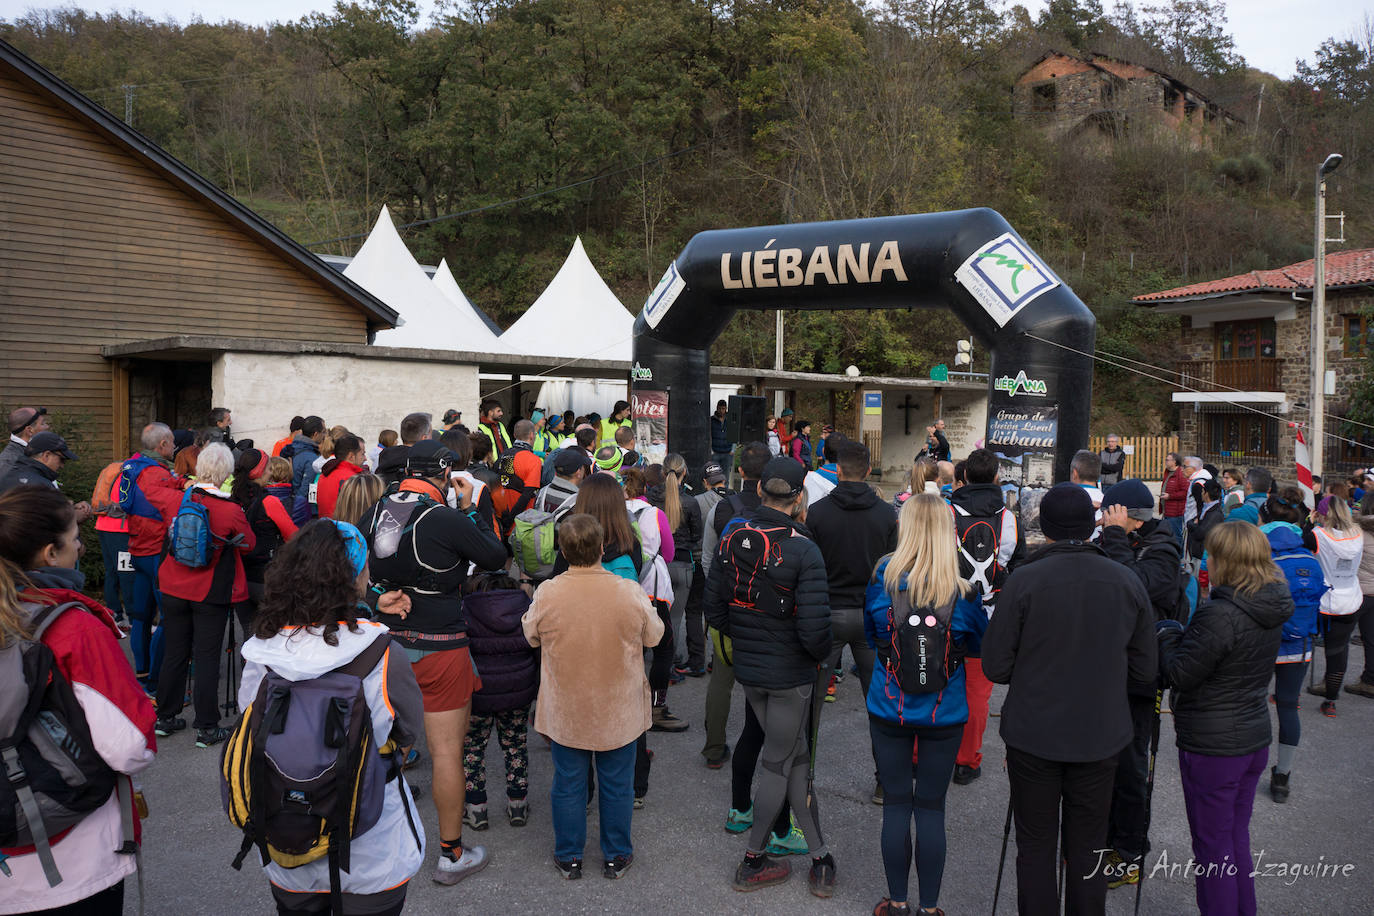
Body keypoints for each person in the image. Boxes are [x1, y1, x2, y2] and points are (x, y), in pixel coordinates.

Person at [982, 483, 1155, 916]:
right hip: (1098, 733)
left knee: (1036, 843)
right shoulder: (1125, 580)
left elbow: (996, 666)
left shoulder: (1024, 580)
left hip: (1035, 732)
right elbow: (1143, 671)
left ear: (1047, 527)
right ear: (1093, 526)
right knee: (1088, 844)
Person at [238, 518, 426, 915]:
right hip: (373, 850)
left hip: (287, 843)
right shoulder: (380, 651)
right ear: (356, 576)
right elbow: (408, 732)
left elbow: (248, 720)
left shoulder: (262, 651)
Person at [0, 486, 157, 914]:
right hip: (73, 855)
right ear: (51, 553)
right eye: (74, 539)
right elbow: (129, 747)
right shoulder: (74, 627)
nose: (80, 546)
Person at [359, 439, 507, 886]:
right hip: (441, 644)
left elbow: (346, 568)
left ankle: (371, 845)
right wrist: (473, 505)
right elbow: (496, 558)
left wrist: (373, 597)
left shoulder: (376, 513)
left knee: (378, 747)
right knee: (446, 752)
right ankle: (450, 853)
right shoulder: (442, 516)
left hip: (385, 646)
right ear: (444, 475)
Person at [704, 456, 834, 898]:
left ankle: (819, 856)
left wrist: (746, 634)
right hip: (790, 674)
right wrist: (817, 660)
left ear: (759, 489)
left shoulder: (732, 535)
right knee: (780, 763)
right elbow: (816, 632)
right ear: (798, 499)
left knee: (793, 758)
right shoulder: (804, 547)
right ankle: (754, 858)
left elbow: (716, 609)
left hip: (751, 669)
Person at [1156, 522, 1292, 916]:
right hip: (1250, 735)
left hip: (1215, 745)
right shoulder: (1268, 601)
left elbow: (1180, 673)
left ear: (1227, 561)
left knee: (1213, 848)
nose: (1208, 561)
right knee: (1234, 839)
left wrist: (1167, 636)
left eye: (1213, 554)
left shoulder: (1222, 613)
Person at [865, 493, 987, 916]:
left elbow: (871, 636)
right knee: (932, 807)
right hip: (944, 711)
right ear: (947, 533)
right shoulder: (965, 590)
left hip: (889, 706)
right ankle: (930, 908)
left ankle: (897, 902)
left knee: (897, 803)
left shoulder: (882, 577)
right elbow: (978, 646)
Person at [522, 513, 663, 880]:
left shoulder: (549, 591)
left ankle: (569, 856)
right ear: (603, 548)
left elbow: (531, 635)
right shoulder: (626, 590)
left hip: (567, 707)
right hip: (619, 706)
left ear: (563, 551)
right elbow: (654, 636)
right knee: (617, 784)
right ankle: (616, 855)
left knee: (568, 783)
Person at [1095, 479, 1183, 887]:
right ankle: (1104, 837)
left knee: (1131, 768)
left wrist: (1113, 538)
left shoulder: (1161, 548)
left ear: (1126, 515)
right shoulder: (1126, 542)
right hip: (1110, 671)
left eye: (1108, 513)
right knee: (1103, 761)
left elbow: (1133, 591)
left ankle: (1129, 851)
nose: (1102, 518)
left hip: (1138, 680)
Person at [154, 443, 255, 747]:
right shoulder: (230, 509)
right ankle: (207, 726)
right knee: (207, 656)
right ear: (225, 472)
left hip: (172, 584)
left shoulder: (178, 500)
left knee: (175, 651)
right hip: (209, 590)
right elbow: (248, 544)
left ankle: (166, 717)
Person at [806, 439, 897, 727]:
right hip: (870, 612)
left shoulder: (818, 512)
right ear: (869, 470)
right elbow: (891, 568)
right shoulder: (886, 514)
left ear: (838, 471)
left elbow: (809, 567)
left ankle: (804, 764)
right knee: (878, 700)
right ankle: (884, 767)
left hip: (828, 611)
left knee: (813, 698)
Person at [947, 448, 1024, 788]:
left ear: (963, 478)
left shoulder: (947, 513)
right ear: (996, 478)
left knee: (935, 679)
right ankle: (966, 761)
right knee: (978, 692)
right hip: (989, 613)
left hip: (946, 609)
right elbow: (1017, 566)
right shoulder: (1008, 517)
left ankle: (923, 753)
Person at [702, 442, 769, 768]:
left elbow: (707, 558)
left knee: (721, 682)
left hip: (729, 608)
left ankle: (714, 749)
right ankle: (771, 751)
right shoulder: (783, 507)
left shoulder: (723, 508)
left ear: (740, 471)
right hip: (768, 612)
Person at [1258, 487, 1324, 802]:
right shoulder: (1309, 558)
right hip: (1300, 644)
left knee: (1252, 703)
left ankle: (1244, 766)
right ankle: (1282, 776)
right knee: (1288, 706)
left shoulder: (1260, 555)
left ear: (1265, 518)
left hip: (1262, 641)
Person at [462, 572, 536, 831]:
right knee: (515, 746)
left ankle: (476, 809)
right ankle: (518, 805)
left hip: (477, 692)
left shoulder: (466, 609)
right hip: (517, 689)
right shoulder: (524, 607)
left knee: (472, 749)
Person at [621, 468, 683, 736]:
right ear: (646, 489)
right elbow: (668, 553)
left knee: (629, 649)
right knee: (663, 648)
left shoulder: (613, 512)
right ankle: (658, 707)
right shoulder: (656, 514)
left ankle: (627, 705)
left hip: (622, 587)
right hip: (652, 590)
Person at [122, 422, 184, 692]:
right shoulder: (155, 474)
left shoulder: (135, 466)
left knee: (141, 616)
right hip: (155, 551)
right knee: (169, 618)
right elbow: (168, 509)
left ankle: (143, 674)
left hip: (137, 547)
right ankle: (157, 684)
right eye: (172, 443)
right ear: (162, 445)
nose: (174, 447)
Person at [1307, 488, 1365, 717]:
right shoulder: (1358, 533)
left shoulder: (1317, 534)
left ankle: (1289, 692)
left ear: (1322, 514)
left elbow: (1302, 541)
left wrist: (1309, 521)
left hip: (1324, 600)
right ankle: (1330, 701)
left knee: (1304, 644)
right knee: (1338, 652)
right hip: (1350, 597)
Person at [230, 448, 298, 630]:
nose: (270, 472)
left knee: (249, 632)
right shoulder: (270, 502)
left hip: (239, 576)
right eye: (268, 468)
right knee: (275, 632)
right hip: (265, 576)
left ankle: (248, 660)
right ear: (259, 472)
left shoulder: (232, 500)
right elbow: (293, 537)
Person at [650, 453, 704, 678]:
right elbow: (696, 535)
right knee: (675, 618)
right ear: (685, 473)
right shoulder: (691, 502)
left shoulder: (651, 497)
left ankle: (659, 657)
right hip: (682, 563)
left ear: (663, 473)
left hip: (656, 563)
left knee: (653, 613)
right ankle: (668, 662)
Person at [0, 432, 92, 525]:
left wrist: (68, 509)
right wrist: (74, 517)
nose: (62, 465)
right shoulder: (43, 487)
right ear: (46, 455)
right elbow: (50, 527)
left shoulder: (8, 474)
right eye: (62, 459)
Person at [91, 455, 134, 626]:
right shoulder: (128, 475)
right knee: (126, 573)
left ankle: (114, 613)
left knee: (111, 572)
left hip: (103, 525)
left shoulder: (112, 470)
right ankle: (131, 616)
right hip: (120, 530)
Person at [315, 434, 367, 519]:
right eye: (362, 454)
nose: (365, 458)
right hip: (344, 529)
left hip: (326, 527)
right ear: (351, 456)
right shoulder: (352, 479)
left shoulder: (325, 473)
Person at [0, 405, 49, 480]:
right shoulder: (9, 463)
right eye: (43, 424)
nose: (47, 427)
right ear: (30, 430)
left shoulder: (32, 452)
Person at [289, 416, 327, 505]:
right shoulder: (312, 459)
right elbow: (305, 491)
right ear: (315, 434)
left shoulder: (293, 447)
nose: (325, 436)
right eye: (324, 432)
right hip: (305, 510)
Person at [1160, 452, 1189, 541]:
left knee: (1176, 536)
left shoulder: (1181, 473)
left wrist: (1170, 496)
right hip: (1167, 510)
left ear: (1175, 462)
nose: (1165, 462)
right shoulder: (1168, 472)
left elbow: (1185, 492)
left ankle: (1178, 555)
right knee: (1168, 536)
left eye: (1167, 460)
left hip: (1176, 513)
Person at [710, 399, 733, 471]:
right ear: (717, 408)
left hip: (727, 452)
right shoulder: (711, 420)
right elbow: (708, 435)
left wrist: (733, 450)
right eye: (719, 408)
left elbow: (734, 434)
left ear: (726, 409)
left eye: (723, 408)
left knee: (726, 478)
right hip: (715, 452)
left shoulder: (731, 420)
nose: (721, 410)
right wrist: (710, 450)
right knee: (714, 476)